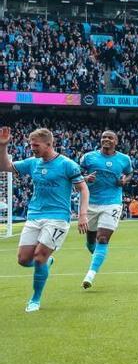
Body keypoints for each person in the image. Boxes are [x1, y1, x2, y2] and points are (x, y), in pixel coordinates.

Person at [0, 127, 89, 312]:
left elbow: (83, 189)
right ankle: (46, 263)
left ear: (49, 144)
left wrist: (82, 215)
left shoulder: (67, 164)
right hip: (34, 215)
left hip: (58, 217)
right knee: (23, 260)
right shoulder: (33, 163)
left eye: (36, 145)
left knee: (39, 256)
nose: (32, 148)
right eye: (31, 144)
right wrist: (3, 146)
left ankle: (35, 299)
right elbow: (5, 166)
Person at [78, 130, 134, 289]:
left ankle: (90, 275)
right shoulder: (88, 157)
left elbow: (129, 173)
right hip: (90, 202)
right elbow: (75, 173)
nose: (106, 140)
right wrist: (85, 178)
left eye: (110, 137)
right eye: (103, 137)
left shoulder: (124, 159)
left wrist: (125, 180)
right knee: (91, 242)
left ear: (116, 141)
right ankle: (98, 256)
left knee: (102, 239)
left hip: (112, 202)